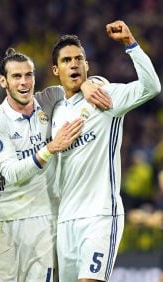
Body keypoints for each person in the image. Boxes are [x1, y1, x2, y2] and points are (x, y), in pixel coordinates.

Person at [0, 47, 111, 282]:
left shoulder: (49, 99)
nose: (24, 82)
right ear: (3, 81)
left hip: (48, 221)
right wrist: (50, 148)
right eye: (16, 76)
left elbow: (75, 80)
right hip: (6, 223)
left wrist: (92, 83)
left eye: (29, 75)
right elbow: (11, 173)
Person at [51, 20, 161, 282]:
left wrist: (130, 44)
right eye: (67, 60)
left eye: (79, 59)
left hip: (100, 216)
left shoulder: (104, 97)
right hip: (65, 222)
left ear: (87, 65)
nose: (74, 64)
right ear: (56, 70)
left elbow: (152, 87)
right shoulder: (53, 111)